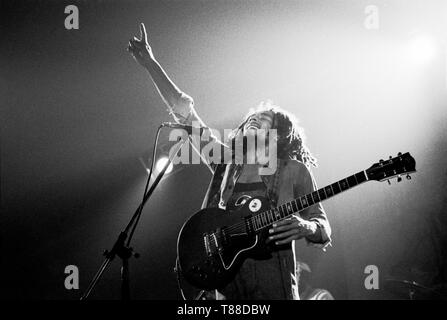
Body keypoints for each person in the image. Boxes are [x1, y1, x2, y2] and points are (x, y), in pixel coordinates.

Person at [127, 23, 332, 300]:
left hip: (273, 279)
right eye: (252, 117)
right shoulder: (226, 162)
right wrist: (151, 65)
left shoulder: (294, 171)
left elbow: (321, 225)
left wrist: (307, 227)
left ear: (278, 136)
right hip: (225, 281)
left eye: (265, 119)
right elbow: (186, 114)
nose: (255, 118)